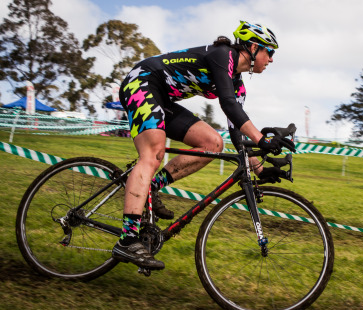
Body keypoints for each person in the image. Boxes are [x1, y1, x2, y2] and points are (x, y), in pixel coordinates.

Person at [112, 20, 291, 270]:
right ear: (252, 48)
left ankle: (150, 186)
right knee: (152, 153)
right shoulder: (223, 55)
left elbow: (235, 130)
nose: (270, 60)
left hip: (163, 98)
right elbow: (228, 105)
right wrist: (263, 139)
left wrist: (260, 169)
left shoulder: (237, 83)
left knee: (212, 143)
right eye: (269, 52)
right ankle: (127, 239)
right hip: (142, 81)